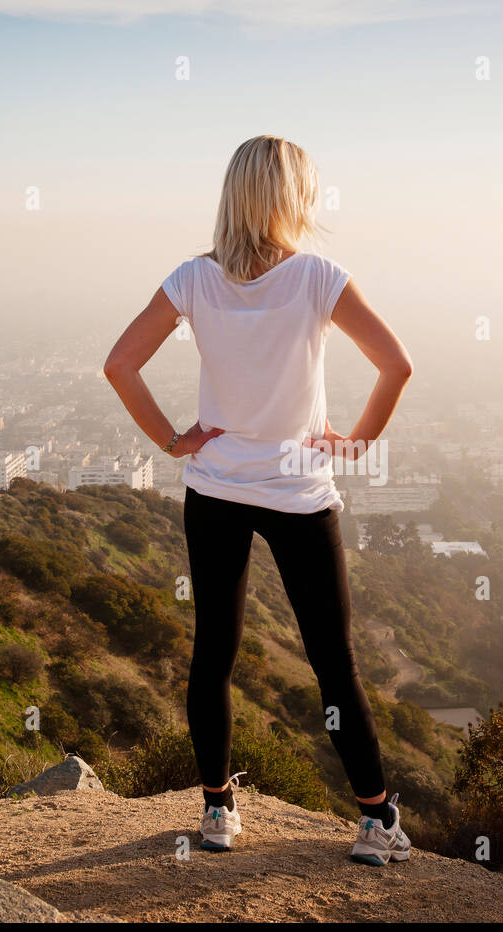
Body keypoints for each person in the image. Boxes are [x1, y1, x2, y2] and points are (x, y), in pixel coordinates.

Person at [103, 135, 414, 865]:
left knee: (214, 654)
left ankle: (217, 813)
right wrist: (355, 442)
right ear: (293, 199)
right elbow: (397, 365)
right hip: (301, 492)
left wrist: (173, 440)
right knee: (334, 662)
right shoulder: (317, 277)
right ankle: (375, 822)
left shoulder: (192, 279)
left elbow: (119, 363)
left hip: (215, 489)